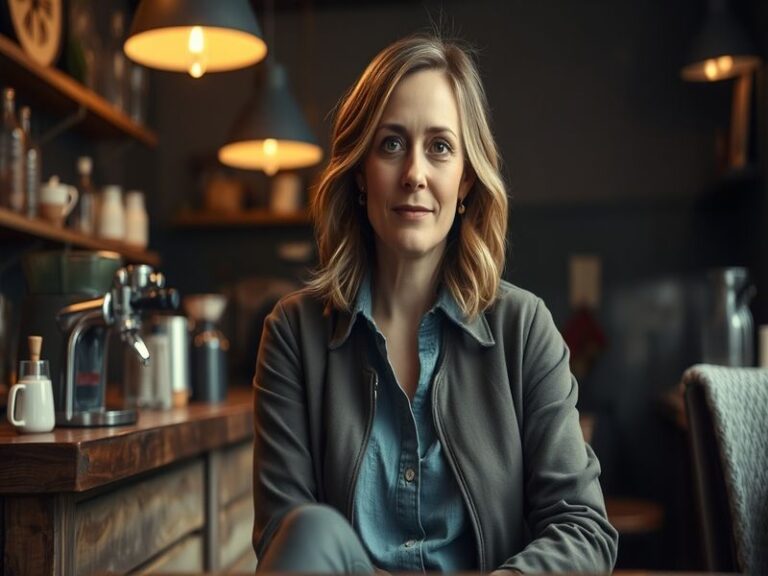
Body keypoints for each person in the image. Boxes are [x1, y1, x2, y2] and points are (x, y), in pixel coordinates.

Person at [252, 34, 618, 574]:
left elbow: (583, 528)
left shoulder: (525, 329)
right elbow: (284, 538)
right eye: (391, 144)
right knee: (307, 529)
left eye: (440, 147)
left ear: (466, 179)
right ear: (360, 172)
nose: (415, 174)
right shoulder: (293, 333)